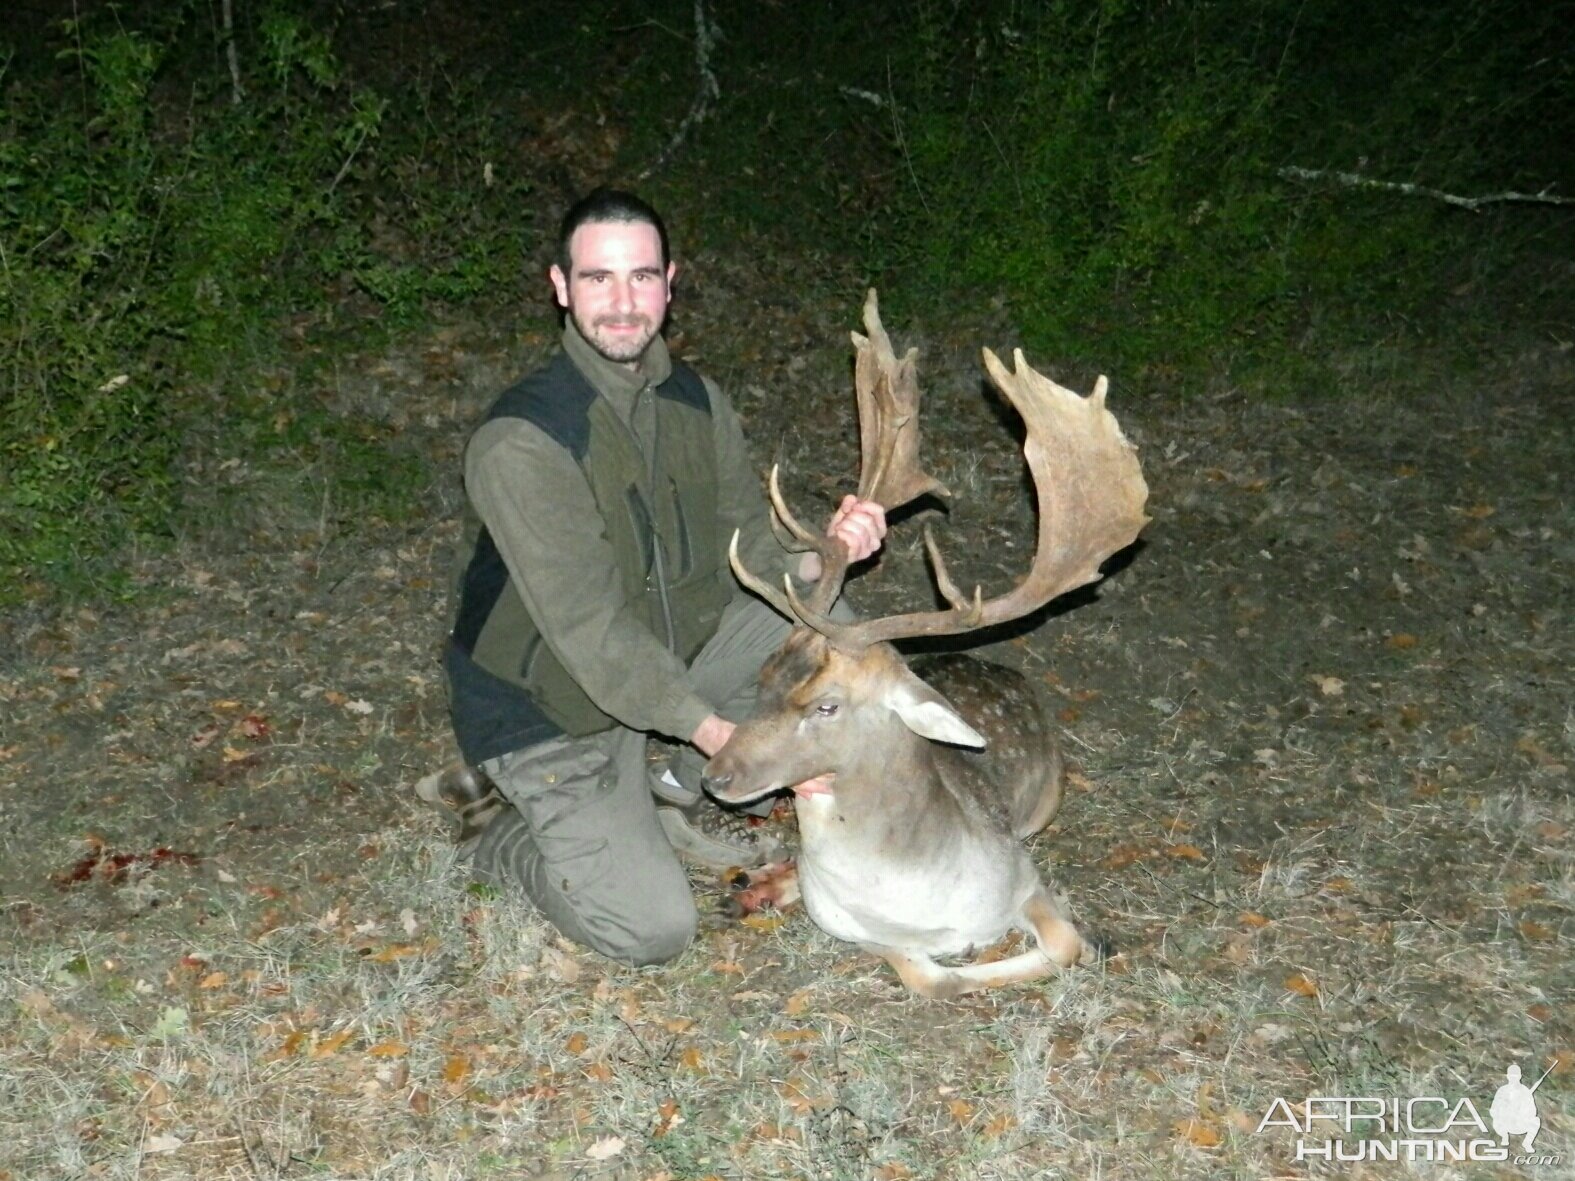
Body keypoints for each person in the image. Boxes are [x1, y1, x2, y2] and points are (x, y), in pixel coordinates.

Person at [424, 188, 886, 966]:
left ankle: (671, 790)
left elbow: (753, 551)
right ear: (560, 287)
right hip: (547, 700)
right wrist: (722, 738)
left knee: (821, 607)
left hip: (663, 663)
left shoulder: (698, 402)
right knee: (650, 930)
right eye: (597, 279)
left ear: (669, 283)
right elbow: (591, 634)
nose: (621, 302)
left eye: (640, 277)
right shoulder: (524, 439)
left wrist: (826, 553)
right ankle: (493, 827)